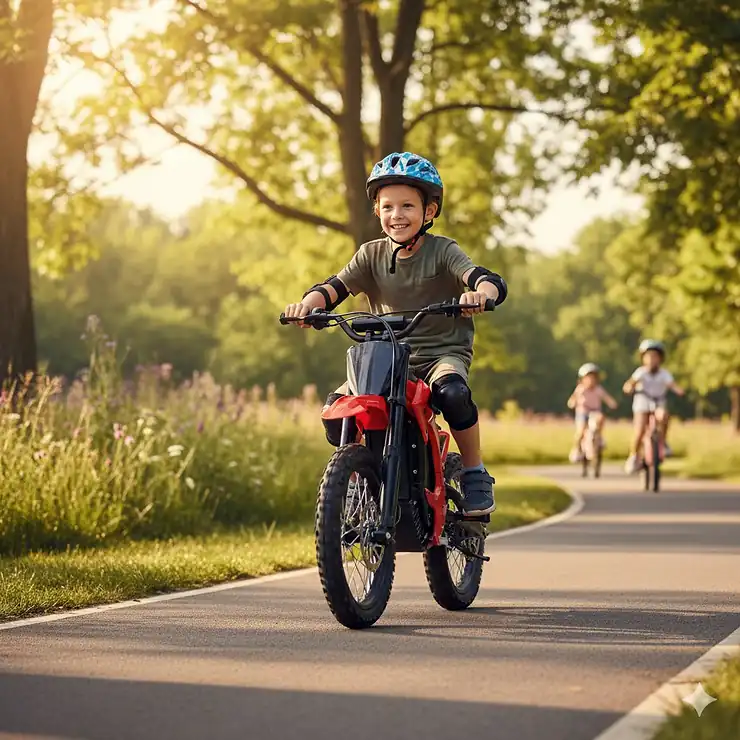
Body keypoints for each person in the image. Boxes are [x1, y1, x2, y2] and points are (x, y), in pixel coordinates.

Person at [283, 152, 507, 515]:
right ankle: (357, 480)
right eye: (387, 207)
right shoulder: (370, 255)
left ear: (429, 212)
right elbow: (333, 287)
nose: (396, 215)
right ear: (377, 211)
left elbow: (484, 278)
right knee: (336, 411)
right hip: (385, 356)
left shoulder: (443, 251)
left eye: (407, 206)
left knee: (453, 394)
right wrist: (307, 306)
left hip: (440, 354)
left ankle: (474, 471)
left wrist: (481, 294)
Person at [622, 339, 685, 474]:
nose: (652, 360)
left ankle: (663, 442)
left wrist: (678, 390)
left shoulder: (664, 374)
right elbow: (631, 383)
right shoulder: (641, 372)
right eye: (648, 357)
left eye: (655, 357)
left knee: (663, 416)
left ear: (660, 359)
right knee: (639, 430)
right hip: (642, 403)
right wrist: (629, 387)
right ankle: (633, 456)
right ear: (643, 359)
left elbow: (671, 384)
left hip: (658, 403)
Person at [566, 363, 618, 463]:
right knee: (580, 431)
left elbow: (606, 398)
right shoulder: (581, 389)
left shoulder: (598, 389)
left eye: (593, 378)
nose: (591, 380)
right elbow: (572, 400)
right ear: (582, 379)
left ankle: (599, 437)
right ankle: (576, 449)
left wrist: (612, 403)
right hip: (583, 412)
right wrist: (572, 403)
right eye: (588, 378)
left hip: (595, 412)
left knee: (600, 418)